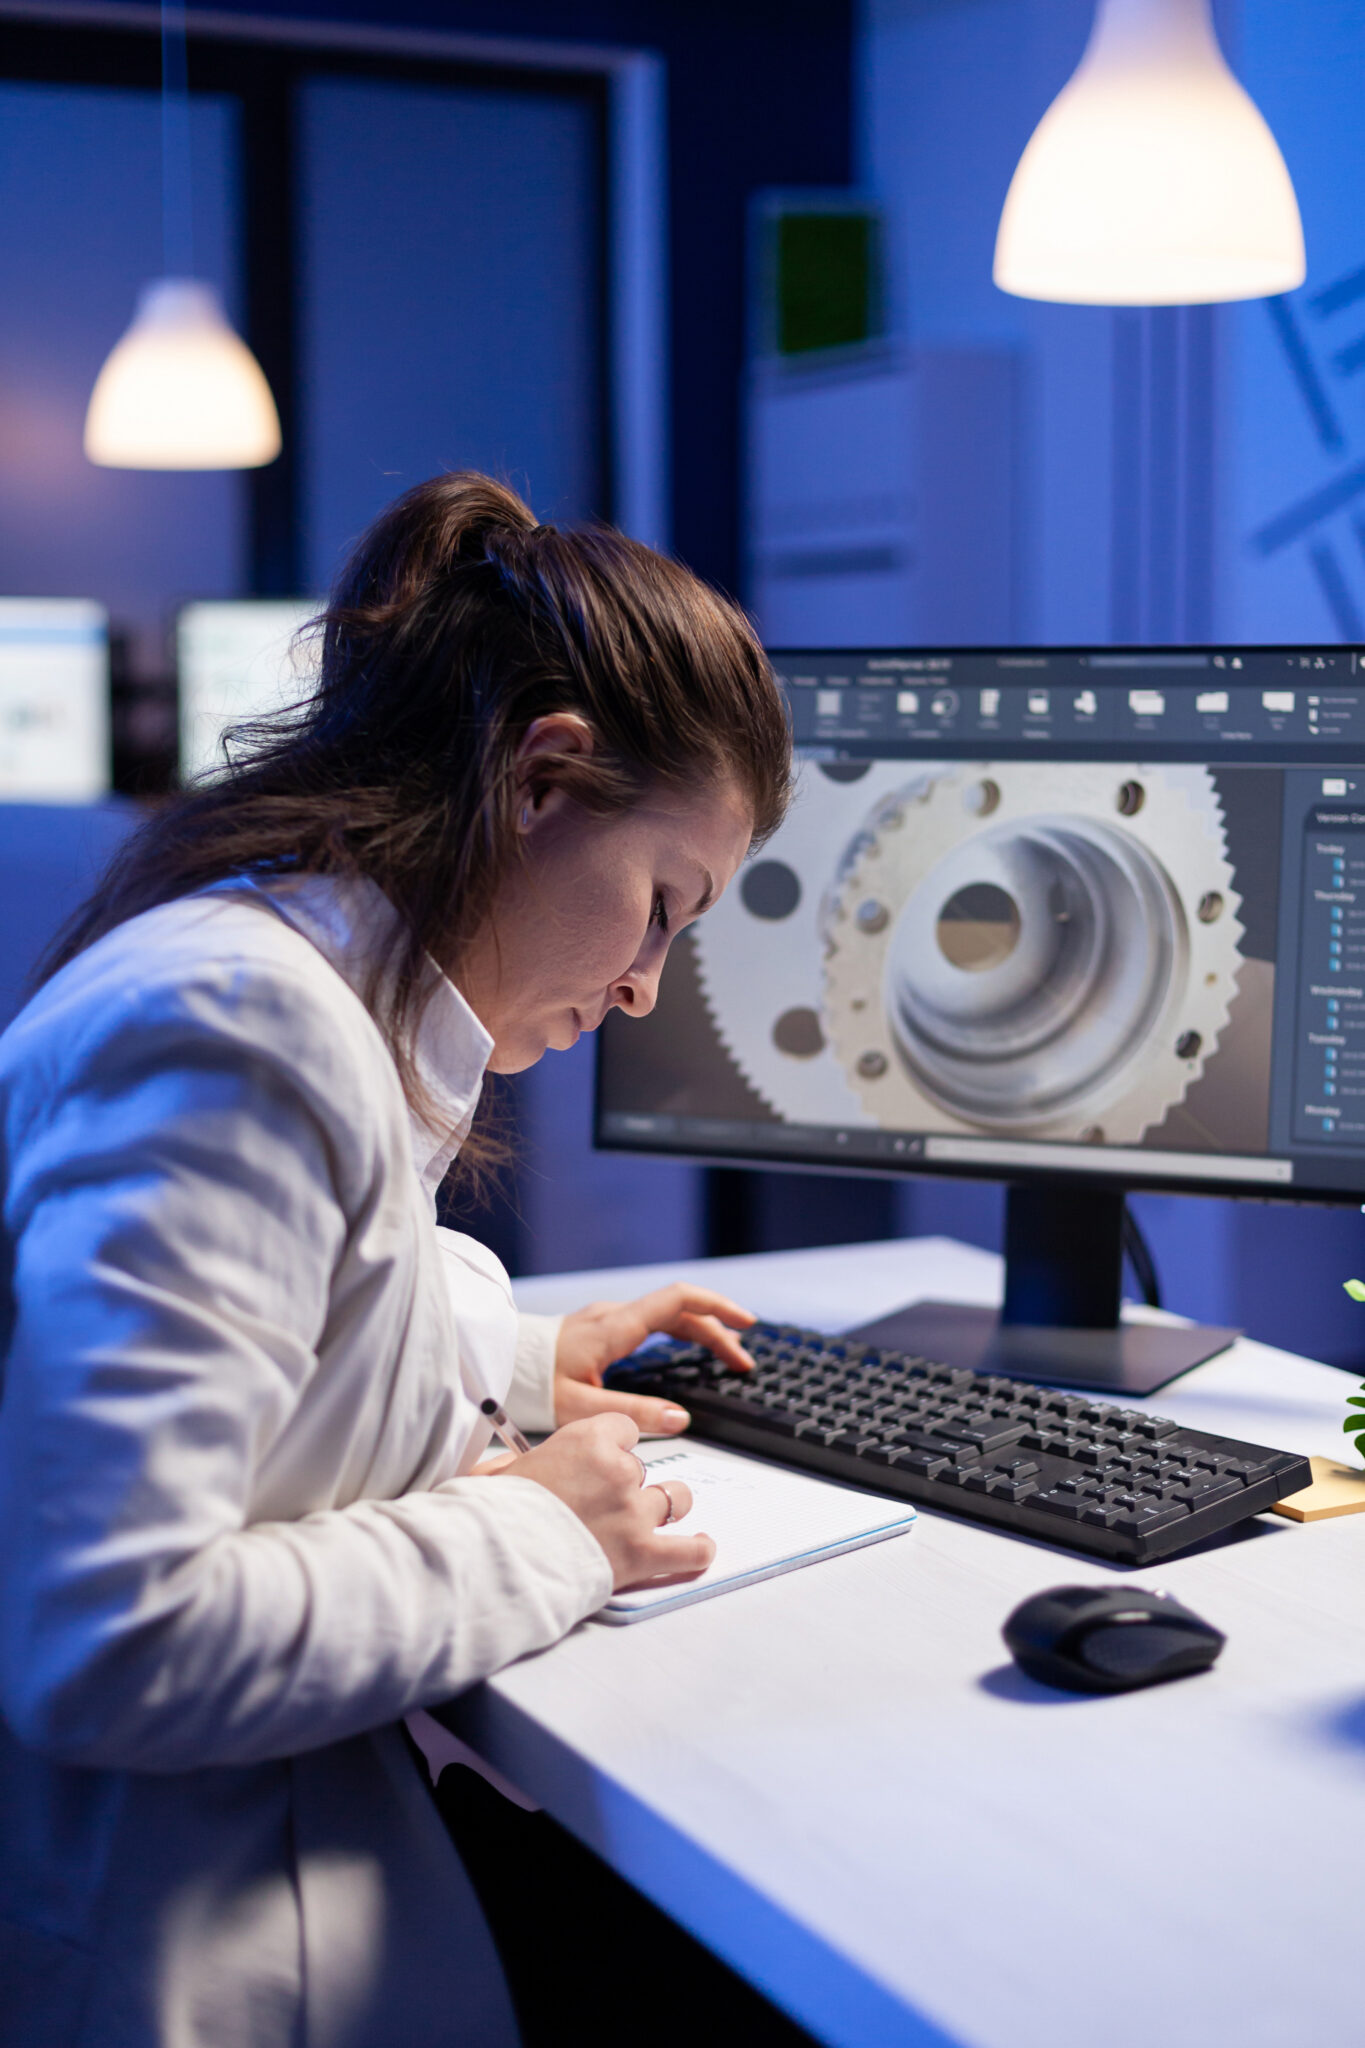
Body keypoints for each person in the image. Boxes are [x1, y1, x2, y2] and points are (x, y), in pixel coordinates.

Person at [0, 473, 793, 2047]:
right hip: (169, 1955)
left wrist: (513, 1362)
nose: (643, 988)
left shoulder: (277, 966)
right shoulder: (237, 1027)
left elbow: (301, 1297)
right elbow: (108, 1642)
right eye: (658, 908)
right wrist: (549, 1537)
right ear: (542, 773)